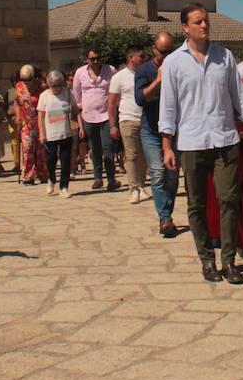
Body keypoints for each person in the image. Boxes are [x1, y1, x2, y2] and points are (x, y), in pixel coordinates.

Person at [160, 2, 243, 283]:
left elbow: (240, 98)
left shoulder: (224, 56)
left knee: (229, 200)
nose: (204, 25)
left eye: (206, 21)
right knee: (196, 204)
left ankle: (229, 261)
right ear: (185, 27)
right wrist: (166, 145)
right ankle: (206, 260)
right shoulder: (173, 62)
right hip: (191, 141)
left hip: (224, 138)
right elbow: (168, 107)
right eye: (197, 22)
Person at [134, 31, 178, 236]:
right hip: (151, 129)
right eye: (163, 52)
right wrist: (158, 81)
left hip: (174, 130)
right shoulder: (144, 71)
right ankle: (165, 218)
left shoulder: (178, 68)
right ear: (154, 50)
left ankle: (167, 211)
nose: (167, 56)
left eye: (171, 52)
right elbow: (140, 99)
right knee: (158, 174)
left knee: (172, 177)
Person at [72, 49, 117, 191]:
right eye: (92, 59)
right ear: (87, 60)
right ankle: (98, 178)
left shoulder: (111, 70)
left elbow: (116, 91)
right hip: (89, 116)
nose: (96, 61)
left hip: (106, 115)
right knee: (95, 148)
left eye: (98, 58)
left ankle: (111, 178)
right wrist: (79, 113)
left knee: (108, 147)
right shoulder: (80, 73)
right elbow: (76, 93)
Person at [109, 45, 148, 204]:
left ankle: (141, 185)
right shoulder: (119, 77)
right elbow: (111, 103)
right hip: (127, 119)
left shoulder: (146, 74)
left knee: (144, 156)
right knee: (131, 156)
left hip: (145, 119)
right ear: (131, 58)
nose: (144, 58)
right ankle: (133, 189)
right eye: (141, 55)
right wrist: (112, 125)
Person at [37, 71, 75, 196]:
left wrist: (80, 126)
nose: (58, 88)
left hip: (65, 132)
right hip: (50, 133)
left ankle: (64, 187)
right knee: (51, 160)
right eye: (54, 86)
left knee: (65, 161)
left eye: (60, 85)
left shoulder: (68, 93)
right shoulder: (44, 96)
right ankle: (51, 179)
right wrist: (42, 133)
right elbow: (41, 116)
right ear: (49, 85)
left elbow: (75, 109)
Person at [14, 64, 45, 185]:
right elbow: (16, 102)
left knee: (41, 150)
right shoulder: (19, 86)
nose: (26, 82)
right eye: (23, 79)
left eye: (28, 79)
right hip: (26, 123)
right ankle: (27, 175)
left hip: (40, 122)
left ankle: (43, 174)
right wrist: (17, 116)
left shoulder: (41, 86)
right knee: (28, 148)